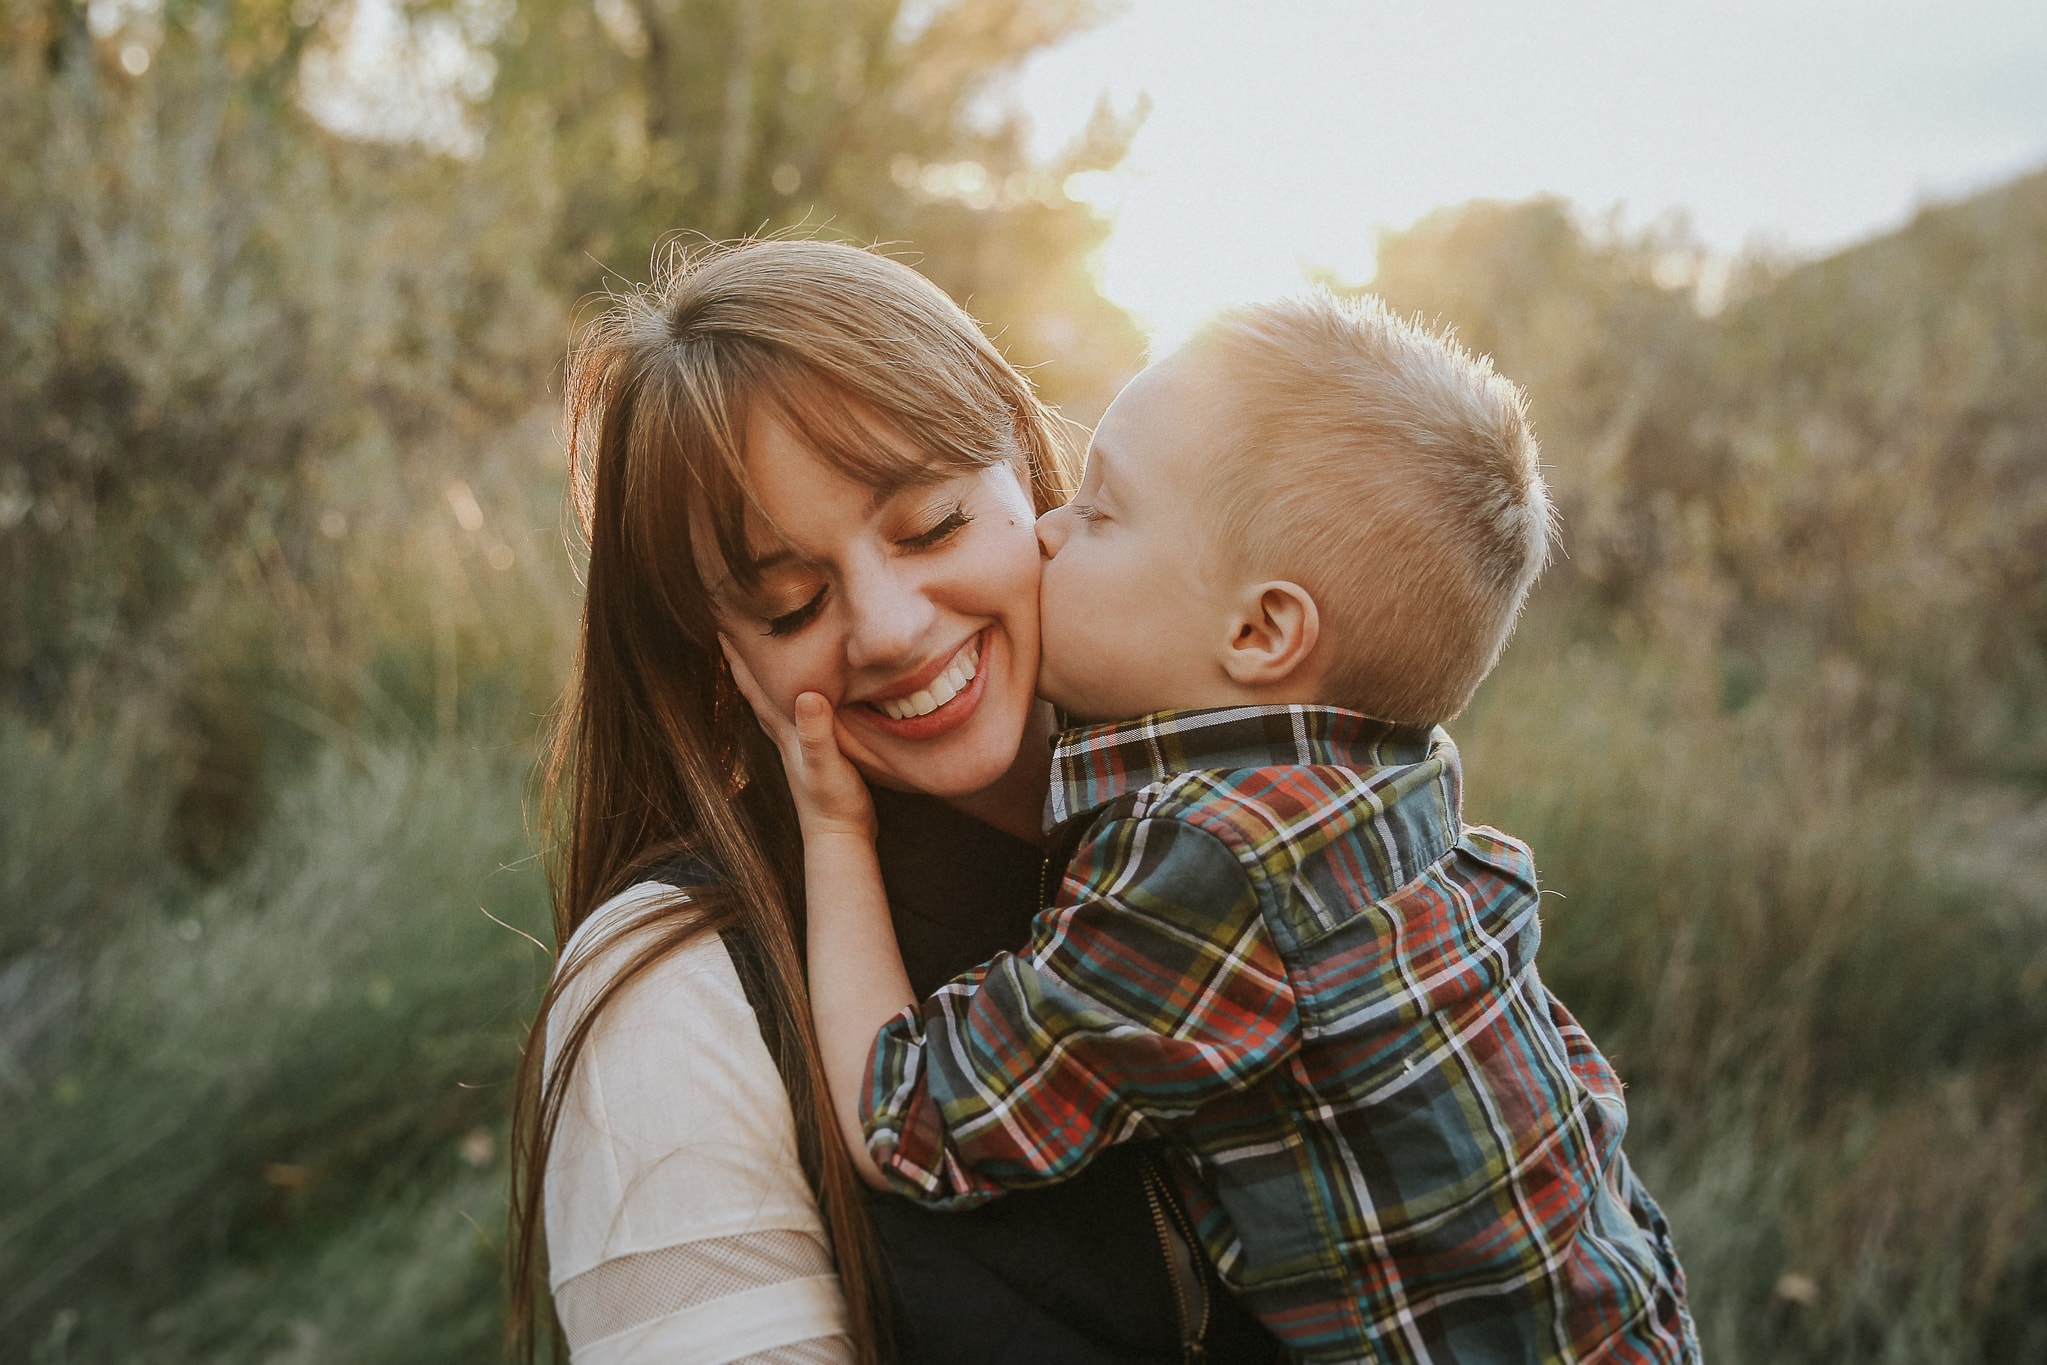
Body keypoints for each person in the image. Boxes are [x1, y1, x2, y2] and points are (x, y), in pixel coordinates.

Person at [738, 293, 1702, 1362]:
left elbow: (910, 1120)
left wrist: (833, 830)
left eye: (1100, 515)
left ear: (1259, 629)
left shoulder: (1209, 866)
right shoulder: (1382, 790)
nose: (1049, 532)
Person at [505, 239, 1286, 1365]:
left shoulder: (1259, 808)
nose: (890, 628)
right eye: (788, 603)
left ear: (1024, 470)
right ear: (717, 650)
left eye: (932, 527)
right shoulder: (674, 983)